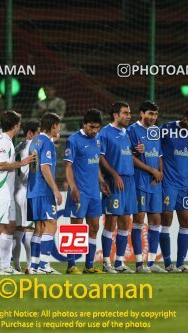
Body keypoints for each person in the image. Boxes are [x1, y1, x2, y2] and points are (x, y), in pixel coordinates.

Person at [0, 110, 35, 275]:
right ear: (15, 125)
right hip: (1, 190)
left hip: (8, 190)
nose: (20, 126)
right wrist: (21, 163)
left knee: (10, 226)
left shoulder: (7, 142)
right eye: (19, 123)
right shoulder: (3, 143)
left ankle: (6, 266)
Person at [63, 108, 110, 274]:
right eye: (92, 127)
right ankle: (71, 265)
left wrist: (102, 181)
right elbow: (67, 166)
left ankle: (89, 266)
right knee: (75, 227)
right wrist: (73, 187)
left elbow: (95, 162)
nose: (95, 130)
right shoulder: (73, 140)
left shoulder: (97, 139)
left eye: (97, 127)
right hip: (79, 191)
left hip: (94, 192)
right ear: (84, 124)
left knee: (94, 227)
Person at [99, 101, 143, 274]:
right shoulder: (104, 133)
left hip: (129, 181)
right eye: (125, 113)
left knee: (125, 222)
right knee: (111, 220)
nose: (129, 116)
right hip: (114, 180)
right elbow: (101, 158)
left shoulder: (127, 133)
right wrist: (114, 175)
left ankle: (119, 262)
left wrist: (137, 150)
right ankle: (106, 262)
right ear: (115, 115)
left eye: (129, 112)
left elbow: (128, 154)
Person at [159, 108, 188, 273]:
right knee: (166, 221)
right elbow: (157, 153)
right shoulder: (166, 128)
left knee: (186, 220)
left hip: (185, 185)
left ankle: (181, 263)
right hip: (168, 184)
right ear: (184, 118)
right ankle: (168, 263)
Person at [127, 100, 167, 273]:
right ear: (141, 113)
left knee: (156, 219)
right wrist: (151, 170)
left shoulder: (156, 131)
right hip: (139, 181)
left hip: (154, 182)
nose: (153, 117)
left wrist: (160, 173)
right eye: (150, 114)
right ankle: (138, 264)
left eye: (155, 114)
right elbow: (129, 157)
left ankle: (151, 262)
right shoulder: (131, 130)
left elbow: (159, 154)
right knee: (139, 219)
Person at [27, 112, 63, 274]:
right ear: (54, 125)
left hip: (33, 190)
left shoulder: (35, 140)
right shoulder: (47, 143)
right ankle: (44, 265)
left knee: (39, 227)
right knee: (51, 224)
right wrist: (56, 190)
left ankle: (34, 266)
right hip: (44, 190)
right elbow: (44, 167)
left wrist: (52, 139)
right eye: (58, 125)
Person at [11, 120, 40, 274]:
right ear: (30, 134)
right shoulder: (32, 146)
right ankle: (30, 266)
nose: (40, 136)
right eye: (38, 133)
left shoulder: (18, 146)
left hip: (16, 191)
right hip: (28, 191)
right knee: (29, 230)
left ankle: (16, 265)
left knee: (17, 231)